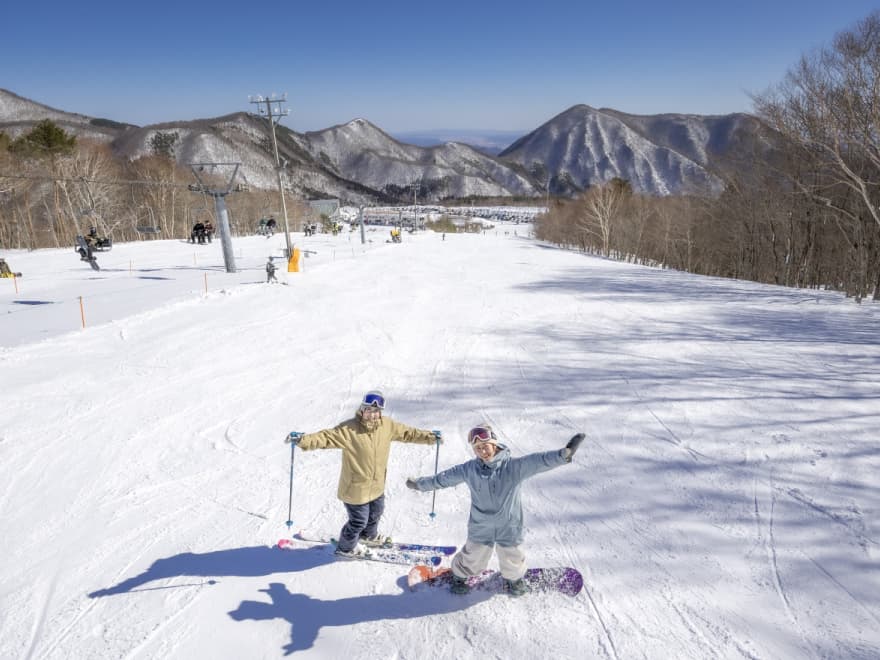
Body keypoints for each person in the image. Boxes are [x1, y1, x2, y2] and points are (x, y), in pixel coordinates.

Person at [406, 424, 584, 596]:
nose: (482, 451)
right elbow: (444, 478)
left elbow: (539, 461)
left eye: (485, 446)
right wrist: (419, 484)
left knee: (513, 557)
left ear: (494, 443)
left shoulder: (513, 467)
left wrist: (563, 455)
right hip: (481, 525)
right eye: (478, 448)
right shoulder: (470, 469)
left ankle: (515, 581)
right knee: (472, 557)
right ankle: (459, 578)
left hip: (509, 525)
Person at [286, 391, 441, 558]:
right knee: (358, 521)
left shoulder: (387, 426)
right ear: (362, 409)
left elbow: (408, 433)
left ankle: (368, 536)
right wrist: (303, 440)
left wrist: (431, 437)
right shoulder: (349, 430)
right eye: (368, 410)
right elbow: (325, 438)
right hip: (355, 489)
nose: (372, 414)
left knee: (376, 513)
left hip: (377, 485)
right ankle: (345, 548)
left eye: (376, 411)